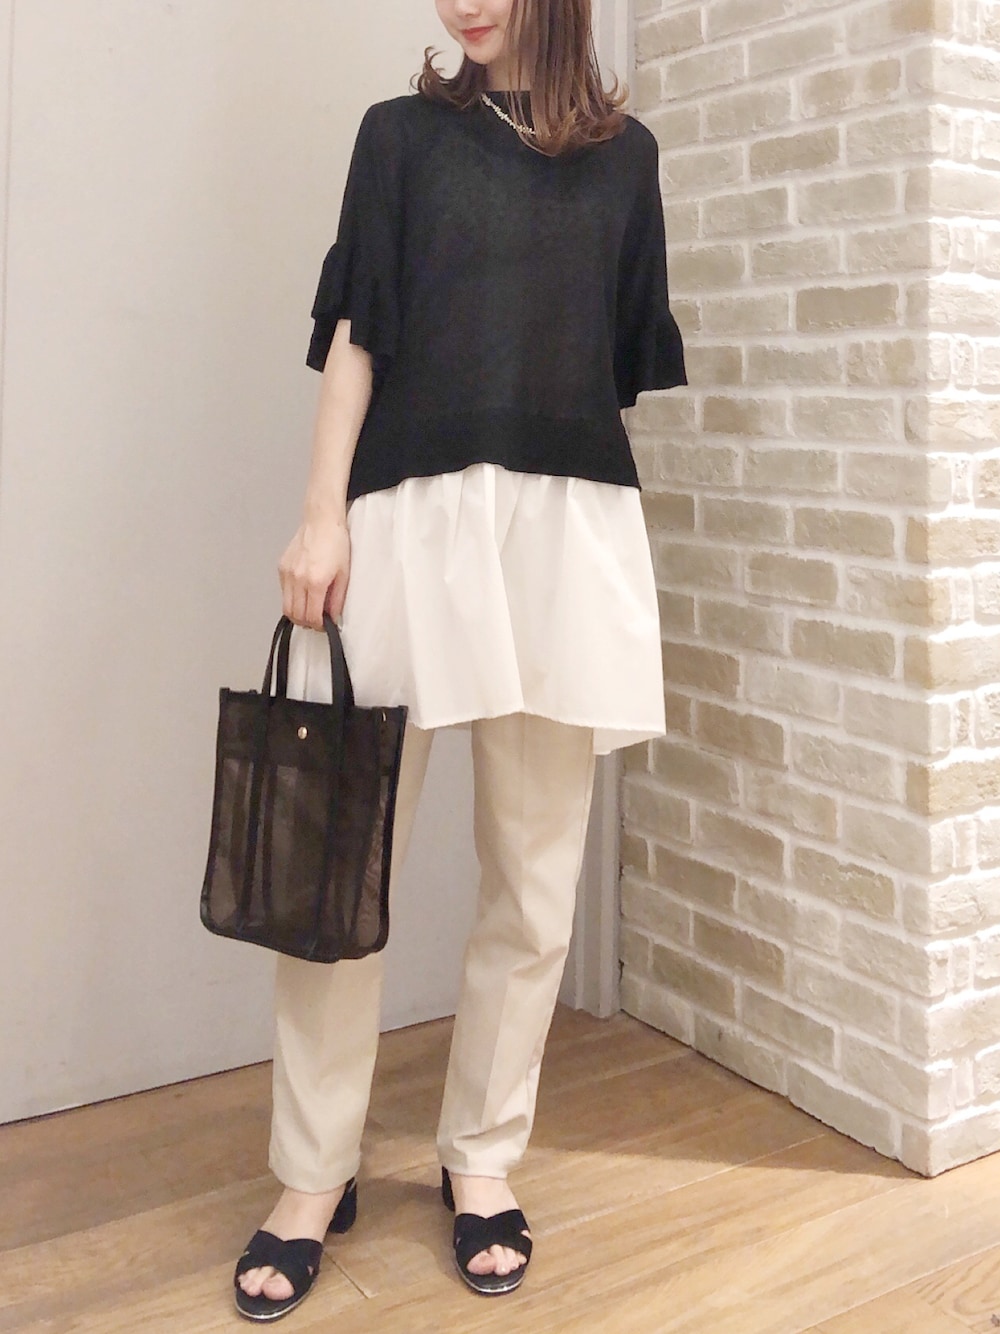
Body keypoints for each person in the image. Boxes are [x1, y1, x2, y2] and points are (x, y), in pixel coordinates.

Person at [233, 0, 686, 1319]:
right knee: (338, 871)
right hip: (405, 527)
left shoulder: (630, 162)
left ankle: (480, 1155)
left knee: (536, 885)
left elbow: (602, 371)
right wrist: (321, 515)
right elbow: (359, 335)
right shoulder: (399, 140)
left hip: (562, 536)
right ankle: (312, 1172)